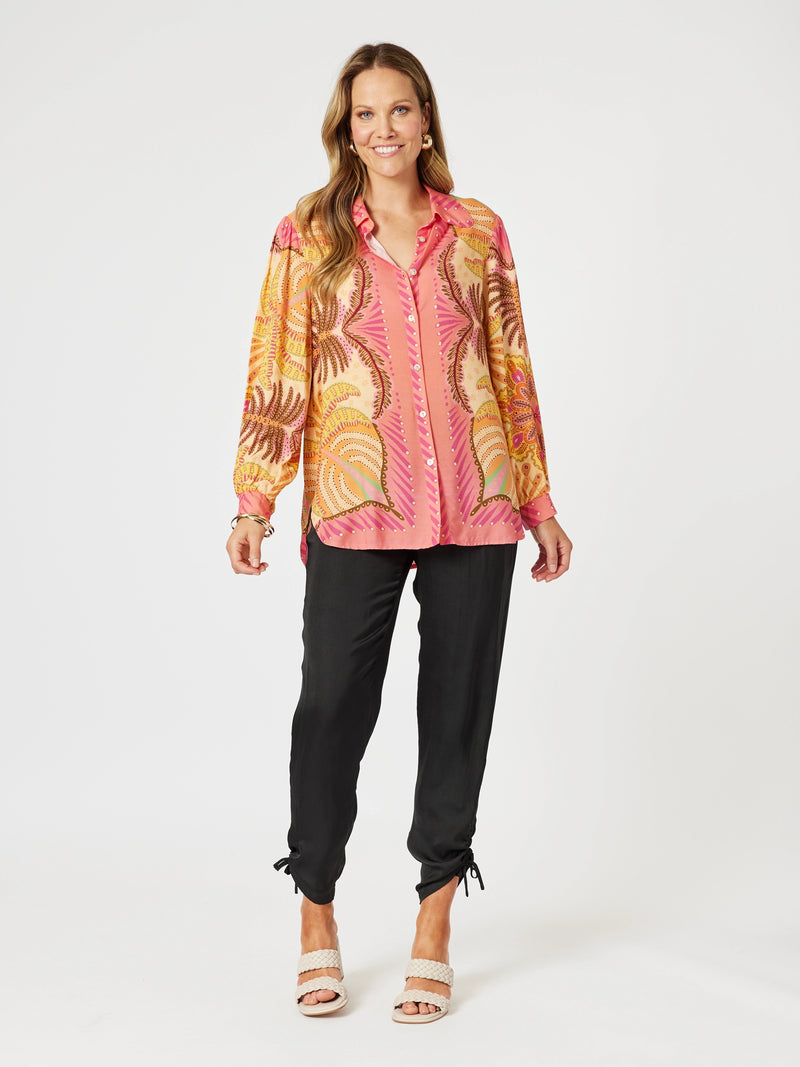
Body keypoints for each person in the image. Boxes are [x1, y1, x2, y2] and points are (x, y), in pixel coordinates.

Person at [225, 42, 573, 1022]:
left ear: (426, 121)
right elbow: (277, 367)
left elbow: (510, 367)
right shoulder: (308, 234)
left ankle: (434, 919)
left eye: (399, 110)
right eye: (364, 114)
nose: (383, 128)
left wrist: (539, 502)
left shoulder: (477, 231)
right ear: (347, 129)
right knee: (331, 706)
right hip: (354, 502)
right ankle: (316, 901)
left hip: (478, 498)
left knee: (456, 709)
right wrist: (255, 496)